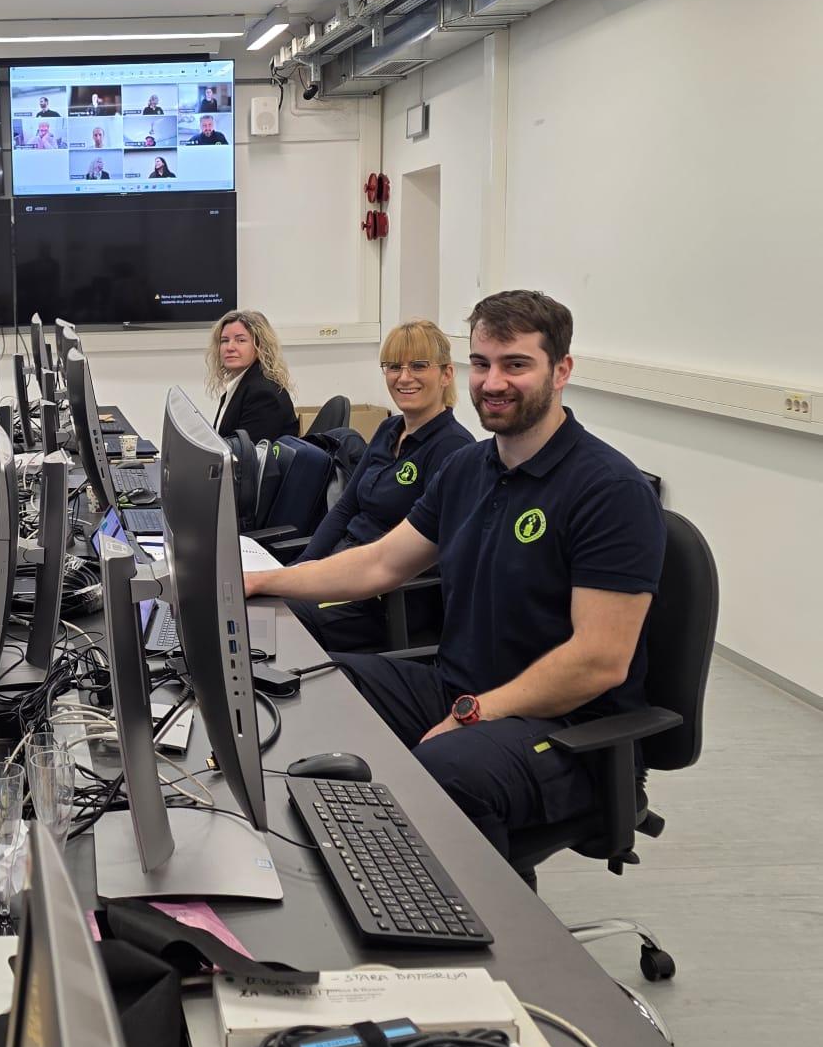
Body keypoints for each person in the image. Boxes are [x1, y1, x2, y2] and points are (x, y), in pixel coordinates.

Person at [246, 291, 665, 859]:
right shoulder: (469, 468)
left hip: (569, 730)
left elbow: (599, 660)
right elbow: (380, 562)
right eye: (482, 363)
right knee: (309, 687)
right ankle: (342, 861)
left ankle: (475, 912)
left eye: (516, 364)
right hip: (460, 686)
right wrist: (259, 581)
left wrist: (474, 714)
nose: (493, 382)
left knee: (446, 768)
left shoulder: (609, 490)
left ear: (561, 370)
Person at [289, 320, 473, 653]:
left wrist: (320, 576)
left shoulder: (453, 447)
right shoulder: (390, 429)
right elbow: (346, 507)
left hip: (385, 596)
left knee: (278, 616)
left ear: (446, 374)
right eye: (394, 367)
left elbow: (435, 552)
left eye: (419, 365)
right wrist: (304, 566)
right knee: (270, 600)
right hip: (343, 564)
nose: (404, 377)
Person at [207, 310, 297, 442]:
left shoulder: (263, 393)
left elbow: (248, 451)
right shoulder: (240, 386)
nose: (230, 347)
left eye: (241, 340)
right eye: (224, 340)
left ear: (260, 346)